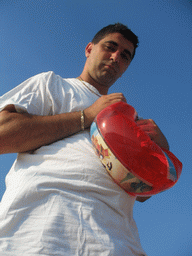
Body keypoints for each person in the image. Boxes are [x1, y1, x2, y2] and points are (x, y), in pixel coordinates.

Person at [0, 23, 169, 255]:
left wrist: (160, 154)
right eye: (110, 47)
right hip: (39, 234)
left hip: (118, 243)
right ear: (89, 49)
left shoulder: (129, 119)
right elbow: (3, 134)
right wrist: (87, 115)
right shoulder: (52, 84)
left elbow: (141, 193)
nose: (116, 57)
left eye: (125, 56)